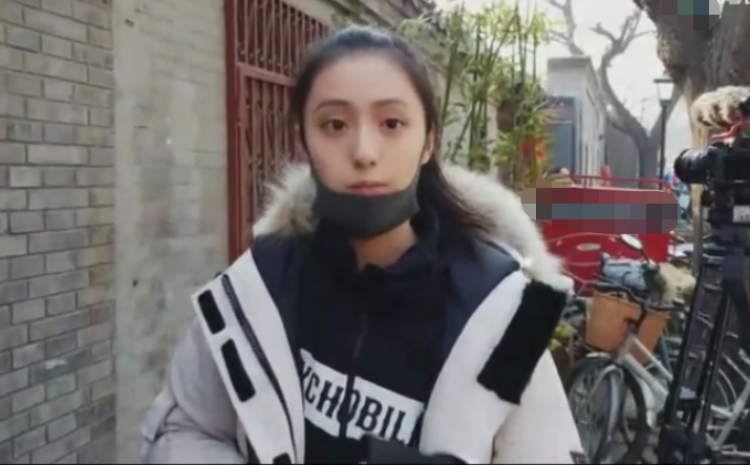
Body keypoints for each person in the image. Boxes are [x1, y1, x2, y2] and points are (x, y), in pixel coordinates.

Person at [140, 26, 583, 464]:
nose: (364, 152)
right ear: (304, 142)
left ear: (428, 142)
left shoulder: (503, 312)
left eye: (392, 124)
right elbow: (185, 429)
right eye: (334, 125)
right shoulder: (257, 288)